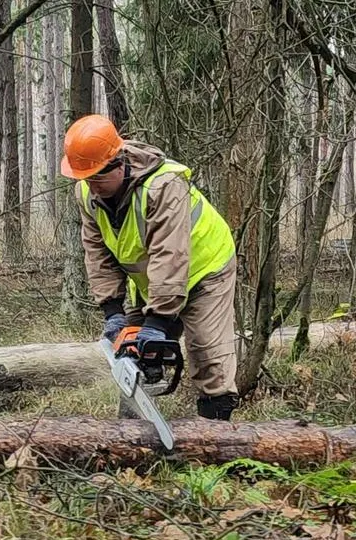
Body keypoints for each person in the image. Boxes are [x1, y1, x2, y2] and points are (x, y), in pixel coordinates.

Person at [61, 114, 240, 420]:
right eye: (86, 179)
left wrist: (157, 323)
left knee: (207, 353)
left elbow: (170, 254)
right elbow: (97, 252)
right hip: (151, 276)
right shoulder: (87, 194)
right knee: (131, 348)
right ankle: (130, 430)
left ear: (119, 163)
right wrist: (113, 312)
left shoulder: (164, 185)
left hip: (205, 269)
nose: (92, 186)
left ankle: (216, 432)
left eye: (98, 177)